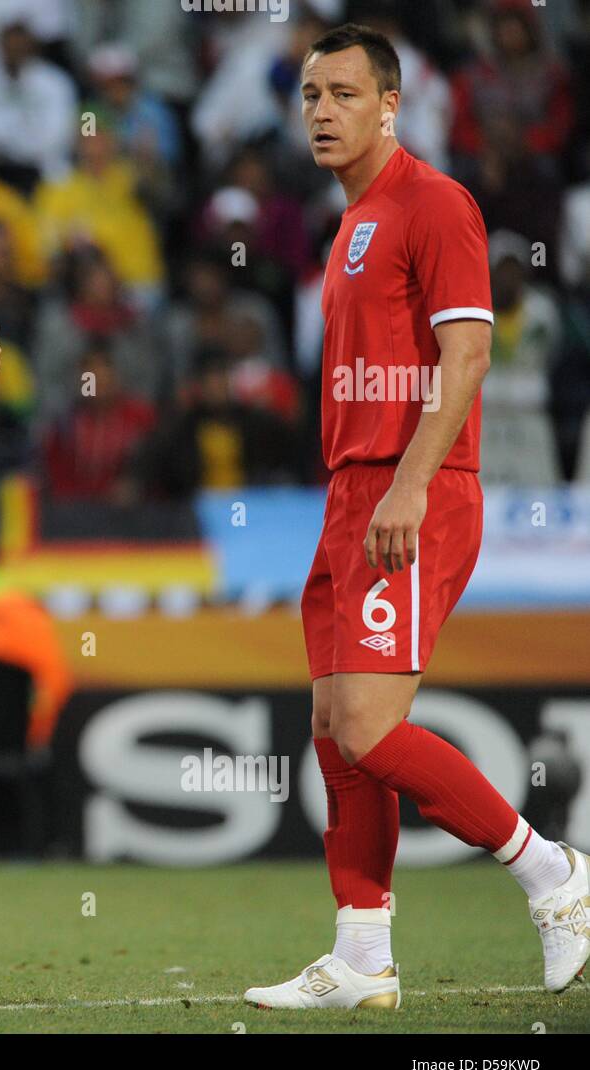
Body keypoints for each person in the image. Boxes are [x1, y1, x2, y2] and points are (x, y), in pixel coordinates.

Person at [244, 24, 589, 1011]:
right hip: (352, 492)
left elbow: (467, 358)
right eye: (311, 94)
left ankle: (554, 876)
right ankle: (361, 956)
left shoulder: (434, 205)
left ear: (390, 105)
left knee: (365, 722)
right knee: (328, 722)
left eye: (344, 94)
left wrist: (406, 483)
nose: (321, 111)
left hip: (414, 490)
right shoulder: (349, 222)